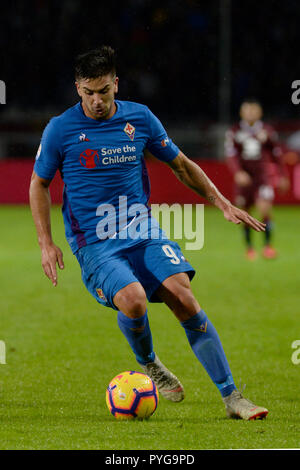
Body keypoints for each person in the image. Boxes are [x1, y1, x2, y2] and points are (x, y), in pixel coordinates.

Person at [30, 46, 268, 420]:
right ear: (78, 88)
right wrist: (46, 243)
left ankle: (232, 397)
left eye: (104, 91)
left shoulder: (139, 119)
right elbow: (38, 184)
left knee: (184, 298)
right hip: (94, 242)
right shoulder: (61, 129)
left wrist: (221, 202)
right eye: (89, 92)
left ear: (116, 84)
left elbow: (181, 165)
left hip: (142, 230)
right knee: (135, 300)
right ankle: (150, 363)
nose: (96, 100)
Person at [225, 98, 289, 260]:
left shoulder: (267, 131)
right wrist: (238, 172)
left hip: (262, 178)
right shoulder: (234, 131)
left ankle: (268, 246)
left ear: (259, 113)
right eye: (247, 110)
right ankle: (250, 248)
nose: (250, 113)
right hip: (244, 180)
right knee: (244, 214)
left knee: (264, 209)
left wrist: (283, 176)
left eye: (254, 110)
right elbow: (231, 155)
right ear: (242, 112)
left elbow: (277, 155)